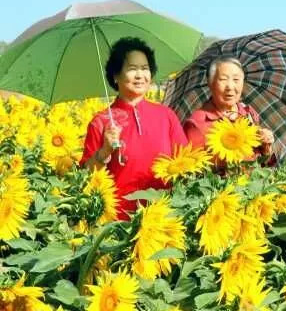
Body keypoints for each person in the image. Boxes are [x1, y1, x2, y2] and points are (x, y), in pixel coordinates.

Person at [81, 37, 188, 220]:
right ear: (115, 76)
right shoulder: (101, 121)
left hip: (163, 217)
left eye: (145, 68)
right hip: (116, 222)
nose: (140, 75)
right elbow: (84, 176)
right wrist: (104, 151)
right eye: (132, 69)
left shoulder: (166, 116)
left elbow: (186, 161)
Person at [183, 56, 275, 163]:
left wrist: (265, 145)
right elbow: (194, 168)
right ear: (210, 83)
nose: (230, 87)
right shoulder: (197, 123)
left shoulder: (247, 112)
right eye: (223, 79)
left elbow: (262, 163)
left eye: (236, 79)